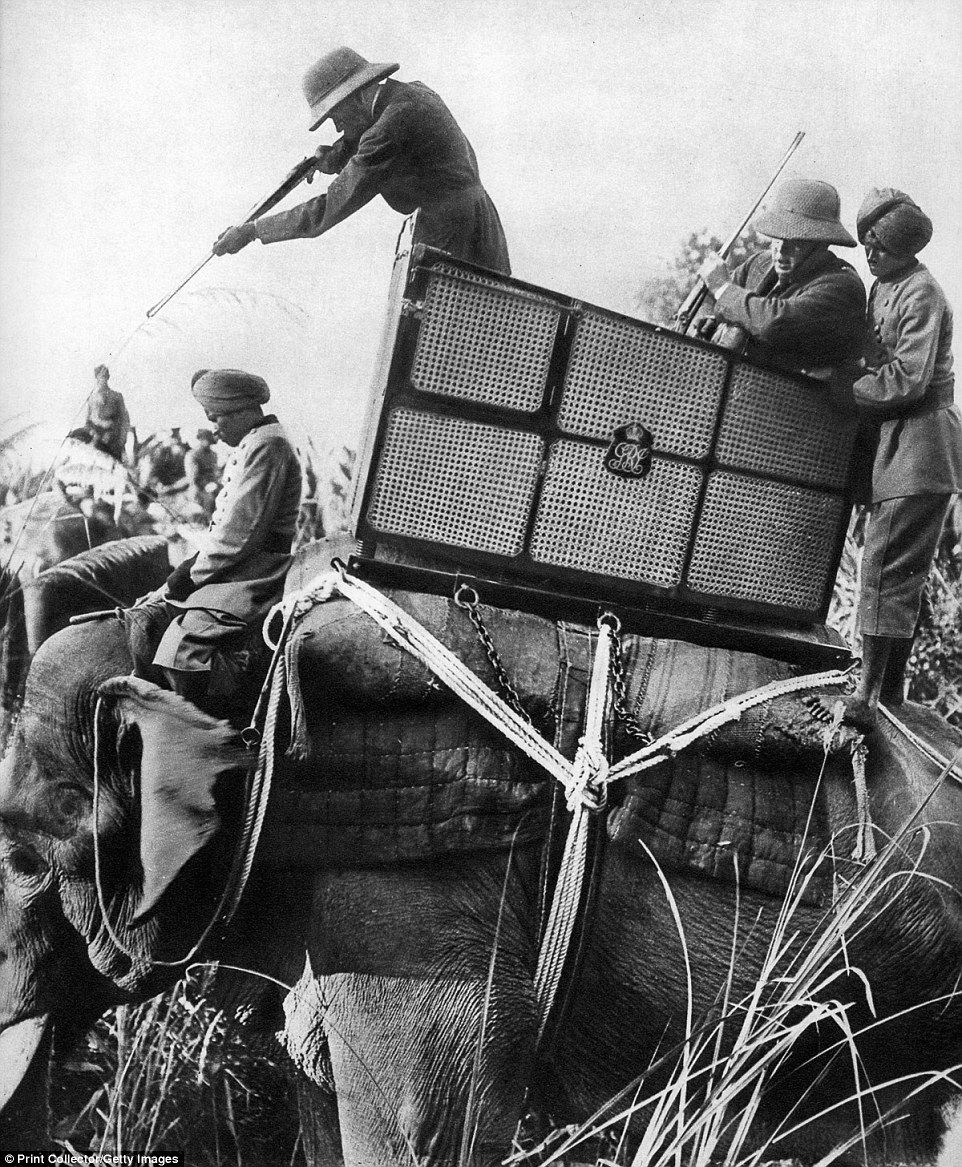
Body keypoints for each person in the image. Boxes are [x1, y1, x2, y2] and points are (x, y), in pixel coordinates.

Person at [833, 189, 962, 731]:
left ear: (905, 249)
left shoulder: (922, 293)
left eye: (881, 247)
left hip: (921, 441)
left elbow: (908, 380)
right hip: (900, 441)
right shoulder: (886, 286)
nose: (870, 254)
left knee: (886, 567)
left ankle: (867, 694)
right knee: (895, 568)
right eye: (867, 243)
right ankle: (887, 688)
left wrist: (843, 387)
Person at [212, 46, 510, 274]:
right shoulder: (413, 94)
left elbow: (329, 208)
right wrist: (333, 158)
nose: (338, 128)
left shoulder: (389, 128)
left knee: (445, 346)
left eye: (334, 116)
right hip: (478, 227)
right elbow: (377, 138)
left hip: (453, 242)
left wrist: (253, 231)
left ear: (355, 96)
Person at [148, 369, 302, 706]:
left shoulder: (268, 444)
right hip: (241, 563)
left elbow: (238, 536)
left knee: (182, 650)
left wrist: (185, 577)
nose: (214, 429)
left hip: (256, 569)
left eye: (217, 418)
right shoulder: (258, 440)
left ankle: (218, 731)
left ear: (242, 410)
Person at [696, 178, 866, 373]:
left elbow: (774, 323)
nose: (781, 250)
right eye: (777, 236)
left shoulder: (841, 286)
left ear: (821, 243)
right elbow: (712, 299)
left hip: (795, 399)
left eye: (796, 241)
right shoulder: (760, 264)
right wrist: (710, 322)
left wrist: (722, 288)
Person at [84, 365, 130, 463]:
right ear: (96, 378)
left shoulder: (116, 396)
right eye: (100, 376)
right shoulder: (92, 398)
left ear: (108, 377)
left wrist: (120, 442)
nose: (102, 379)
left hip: (112, 440)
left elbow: (124, 420)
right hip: (95, 438)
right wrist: (93, 433)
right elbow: (87, 422)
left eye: (105, 376)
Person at [184, 428, 221, 520]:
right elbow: (193, 477)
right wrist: (206, 485)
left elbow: (214, 472)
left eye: (209, 439)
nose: (207, 442)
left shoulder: (213, 454)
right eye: (205, 439)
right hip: (199, 488)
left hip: (212, 484)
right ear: (200, 439)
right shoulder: (192, 454)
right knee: (209, 499)